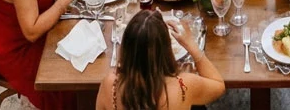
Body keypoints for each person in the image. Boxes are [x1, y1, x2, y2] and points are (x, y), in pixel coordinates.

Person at [95, 8, 225, 110]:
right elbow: (218, 85)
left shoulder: (110, 85)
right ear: (165, 49)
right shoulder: (183, 86)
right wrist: (192, 46)